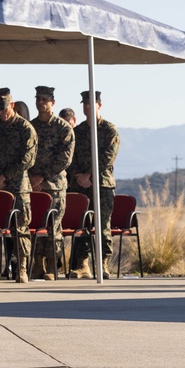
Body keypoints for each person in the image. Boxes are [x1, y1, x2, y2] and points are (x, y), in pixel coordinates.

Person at [0, 88, 38, 283]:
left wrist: (5, 177)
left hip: (18, 187)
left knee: (20, 228)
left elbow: (28, 159)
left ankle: (22, 268)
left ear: (12, 105)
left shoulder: (25, 129)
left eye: (4, 109)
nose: (1, 113)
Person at [70, 90, 120, 279]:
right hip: (80, 185)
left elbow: (108, 158)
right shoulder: (78, 131)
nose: (87, 107)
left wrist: (89, 175)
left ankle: (103, 263)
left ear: (99, 105)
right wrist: (78, 176)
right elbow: (71, 157)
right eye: (84, 104)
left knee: (102, 225)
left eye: (91, 103)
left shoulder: (109, 130)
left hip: (101, 184)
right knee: (81, 225)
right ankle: (82, 265)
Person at [29, 86, 75, 280]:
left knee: (53, 228)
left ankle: (51, 267)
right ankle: (37, 265)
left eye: (45, 99)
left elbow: (65, 159)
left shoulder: (63, 128)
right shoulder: (31, 127)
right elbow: (26, 153)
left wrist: (43, 176)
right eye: (38, 98)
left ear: (53, 103)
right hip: (33, 186)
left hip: (54, 186)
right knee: (35, 226)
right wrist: (32, 178)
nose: (41, 102)